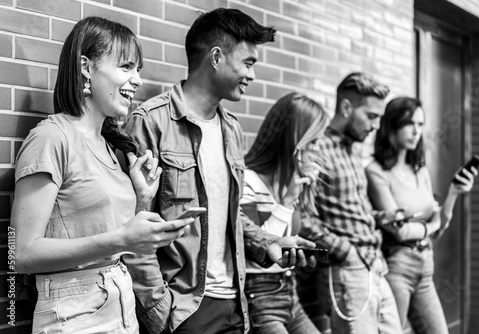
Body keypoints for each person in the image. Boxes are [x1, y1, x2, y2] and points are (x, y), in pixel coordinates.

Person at [122, 8, 316, 334]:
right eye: (248, 63)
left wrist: (266, 243)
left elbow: (229, 215)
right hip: (184, 310)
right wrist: (159, 311)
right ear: (216, 57)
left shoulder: (232, 129)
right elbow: (130, 225)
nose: (252, 76)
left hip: (234, 305)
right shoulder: (150, 122)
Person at [11, 17, 192, 334]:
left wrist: (143, 200)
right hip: (74, 314)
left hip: (120, 304)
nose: (136, 80)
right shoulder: (52, 138)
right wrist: (121, 239)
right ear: (85, 67)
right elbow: (20, 254)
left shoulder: (113, 148)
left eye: (138, 70)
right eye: (126, 67)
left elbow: (111, 241)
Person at [300, 72, 404, 334]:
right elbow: (301, 217)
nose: (377, 125)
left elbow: (351, 208)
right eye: (371, 116)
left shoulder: (352, 148)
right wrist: (346, 251)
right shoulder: (316, 149)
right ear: (347, 108)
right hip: (348, 270)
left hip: (376, 265)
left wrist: (381, 218)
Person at [365, 97, 476, 334]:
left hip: (426, 266)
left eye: (420, 124)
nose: (417, 131)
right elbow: (401, 230)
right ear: (391, 126)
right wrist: (429, 226)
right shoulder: (375, 172)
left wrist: (453, 194)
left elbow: (440, 225)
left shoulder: (420, 170)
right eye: (410, 124)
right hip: (397, 265)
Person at [241, 92, 329, 334]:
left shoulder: (289, 181)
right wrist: (288, 201)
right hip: (259, 294)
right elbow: (260, 247)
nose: (316, 150)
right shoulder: (248, 180)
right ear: (293, 140)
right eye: (311, 142)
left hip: (290, 292)